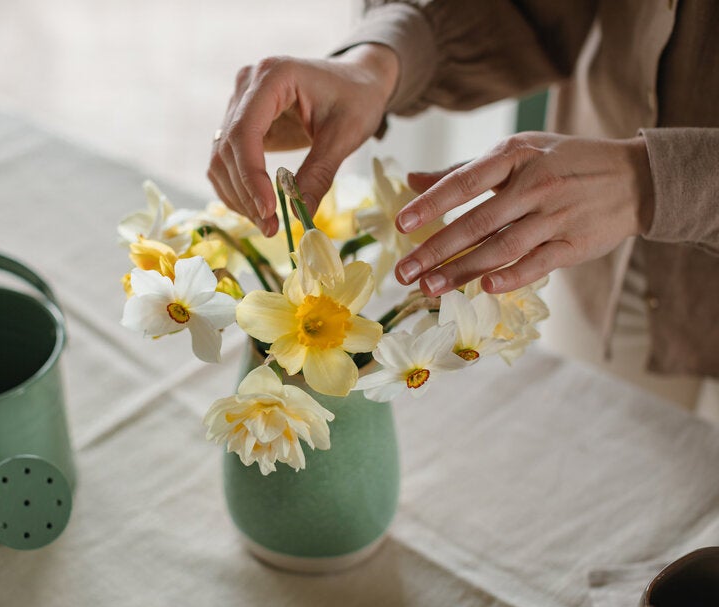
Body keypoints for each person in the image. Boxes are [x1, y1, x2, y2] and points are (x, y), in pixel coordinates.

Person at [207, 0, 719, 420]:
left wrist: (656, 181)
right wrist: (381, 62)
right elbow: (537, 13)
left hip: (602, 208)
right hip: (600, 254)